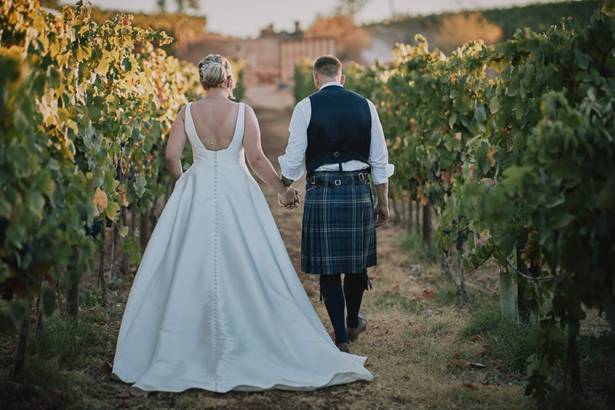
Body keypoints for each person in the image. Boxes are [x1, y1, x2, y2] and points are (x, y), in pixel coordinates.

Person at [112, 54, 373, 392]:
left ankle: (187, 339)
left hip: (197, 188)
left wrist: (183, 180)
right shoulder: (243, 112)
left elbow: (171, 154)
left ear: (202, 82)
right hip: (239, 190)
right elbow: (255, 158)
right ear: (230, 81)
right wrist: (282, 189)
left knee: (188, 265)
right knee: (249, 262)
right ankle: (248, 334)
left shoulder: (187, 112)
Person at [279, 55, 394, 353]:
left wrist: (285, 186)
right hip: (358, 190)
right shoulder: (366, 105)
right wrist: (383, 201)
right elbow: (380, 159)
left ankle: (341, 337)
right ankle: (353, 321)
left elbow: (293, 162)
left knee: (329, 270)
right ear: (342, 78)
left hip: (323, 191)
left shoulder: (305, 106)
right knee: (356, 265)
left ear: (316, 79)